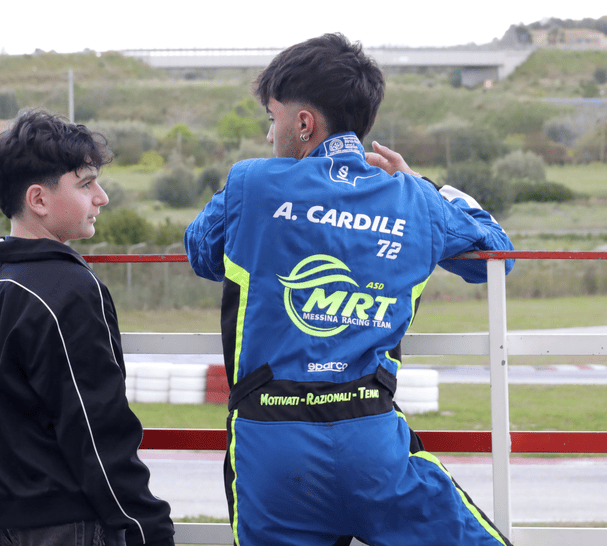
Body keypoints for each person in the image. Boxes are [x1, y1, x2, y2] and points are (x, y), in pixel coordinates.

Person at [184, 33, 514, 546]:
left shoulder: (251, 182)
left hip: (269, 442)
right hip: (372, 440)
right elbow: (498, 255)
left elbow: (201, 254)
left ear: (303, 123)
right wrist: (423, 185)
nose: (269, 135)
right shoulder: (416, 199)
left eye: (272, 118)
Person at [0, 109, 175, 546]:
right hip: (71, 519)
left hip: (5, 520)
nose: (102, 197)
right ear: (39, 200)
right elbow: (95, 426)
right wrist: (147, 525)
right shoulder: (69, 290)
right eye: (86, 184)